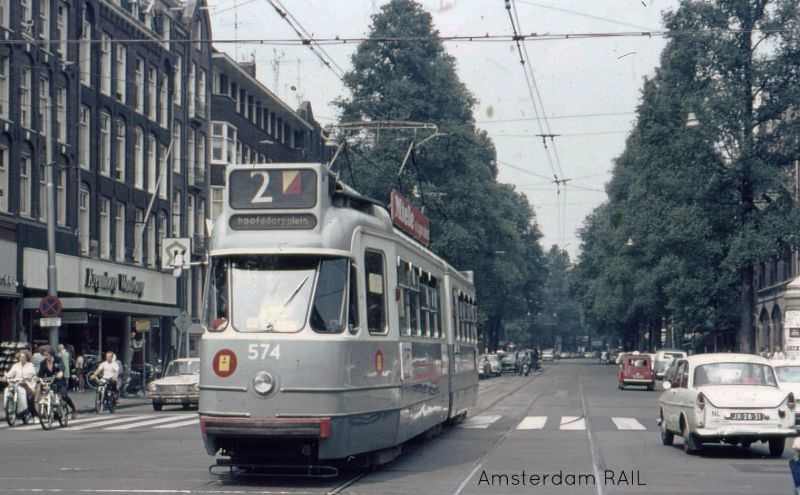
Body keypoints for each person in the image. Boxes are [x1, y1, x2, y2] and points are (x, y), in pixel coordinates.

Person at [38, 349, 77, 419]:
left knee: (63, 395)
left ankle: (73, 409)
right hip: (49, 381)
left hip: (59, 380)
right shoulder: (42, 363)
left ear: (51, 354)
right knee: (45, 394)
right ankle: (49, 411)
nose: (46, 357)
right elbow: (40, 374)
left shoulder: (58, 360)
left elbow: (62, 368)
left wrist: (60, 373)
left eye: (47, 355)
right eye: (44, 355)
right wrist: (38, 378)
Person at [3, 350, 38, 418]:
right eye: (20, 357)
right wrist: (6, 376)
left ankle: (34, 415)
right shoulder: (16, 365)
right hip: (17, 383)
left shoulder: (30, 365)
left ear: (27, 357)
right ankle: (9, 407)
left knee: (29, 399)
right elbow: (10, 373)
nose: (22, 358)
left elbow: (33, 374)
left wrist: (27, 377)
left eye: (23, 357)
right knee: (8, 390)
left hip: (28, 384)